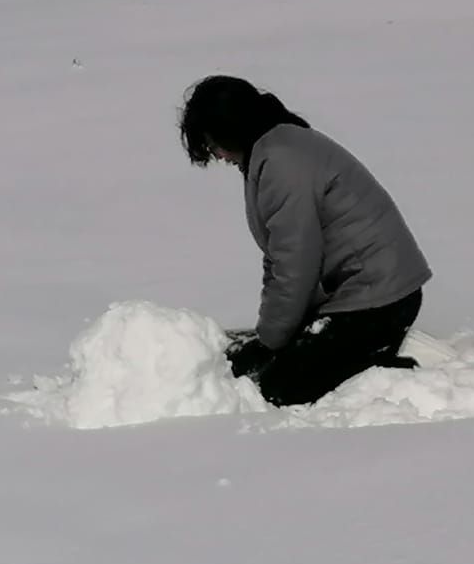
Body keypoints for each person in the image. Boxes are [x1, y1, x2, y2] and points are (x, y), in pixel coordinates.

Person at [178, 75, 432, 406]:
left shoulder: (282, 161)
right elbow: (281, 255)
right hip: (359, 294)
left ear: (230, 128)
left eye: (213, 145)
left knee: (278, 387)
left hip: (380, 302)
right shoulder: (271, 150)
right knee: (258, 357)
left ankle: (379, 371)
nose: (218, 156)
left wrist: (270, 342)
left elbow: (295, 264)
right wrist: (271, 335)